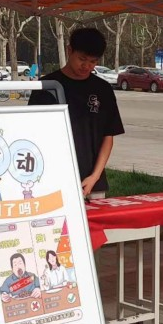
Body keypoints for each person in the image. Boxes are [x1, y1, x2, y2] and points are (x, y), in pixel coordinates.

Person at [29, 28, 124, 200]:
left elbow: (108, 136)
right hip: (53, 180)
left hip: (93, 183)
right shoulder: (46, 86)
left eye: (93, 62)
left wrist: (95, 176)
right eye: (82, 59)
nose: (86, 66)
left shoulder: (103, 89)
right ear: (69, 51)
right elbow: (34, 135)